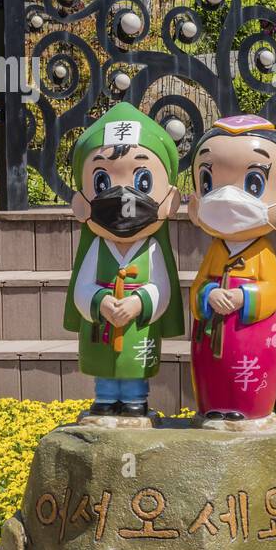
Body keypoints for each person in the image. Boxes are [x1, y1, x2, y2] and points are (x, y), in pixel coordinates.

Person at [63, 102, 184, 416]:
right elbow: (82, 287)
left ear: (170, 201)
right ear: (81, 204)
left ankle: (135, 400)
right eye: (102, 182)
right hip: (101, 327)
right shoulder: (96, 248)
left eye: (142, 182)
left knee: (133, 370)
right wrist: (100, 300)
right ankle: (104, 399)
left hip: (137, 325)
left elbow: (161, 287)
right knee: (105, 370)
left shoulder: (152, 250)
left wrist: (139, 302)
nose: (124, 198)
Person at [187, 115, 276, 422]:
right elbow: (198, 287)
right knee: (212, 371)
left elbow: (271, 290)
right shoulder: (216, 250)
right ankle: (212, 405)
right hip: (212, 331)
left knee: (247, 369)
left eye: (253, 184)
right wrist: (209, 294)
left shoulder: (262, 252)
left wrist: (245, 297)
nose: (228, 198)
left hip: (249, 333)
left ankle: (250, 408)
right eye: (209, 181)